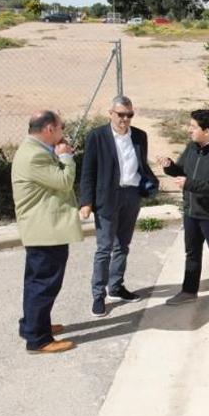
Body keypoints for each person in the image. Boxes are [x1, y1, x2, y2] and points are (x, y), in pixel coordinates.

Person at [79, 95, 159, 317]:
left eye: (129, 115)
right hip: (107, 197)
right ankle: (98, 295)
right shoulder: (97, 137)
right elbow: (88, 171)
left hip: (131, 195)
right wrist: (86, 201)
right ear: (110, 113)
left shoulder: (140, 136)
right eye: (121, 114)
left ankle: (116, 287)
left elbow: (141, 164)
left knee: (123, 245)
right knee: (104, 248)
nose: (125, 119)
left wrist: (151, 182)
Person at [12, 111, 83, 354]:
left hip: (43, 229)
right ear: (50, 128)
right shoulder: (34, 156)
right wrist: (66, 158)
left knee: (36, 282)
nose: (63, 132)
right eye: (61, 128)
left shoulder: (36, 150)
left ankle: (33, 325)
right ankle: (39, 340)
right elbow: (63, 181)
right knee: (44, 284)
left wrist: (59, 153)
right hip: (45, 230)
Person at [158, 109, 209, 316]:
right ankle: (189, 291)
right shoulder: (192, 148)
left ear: (207, 131)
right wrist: (169, 166)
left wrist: (190, 184)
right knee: (192, 253)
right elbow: (181, 170)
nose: (188, 130)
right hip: (191, 211)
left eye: (193, 127)